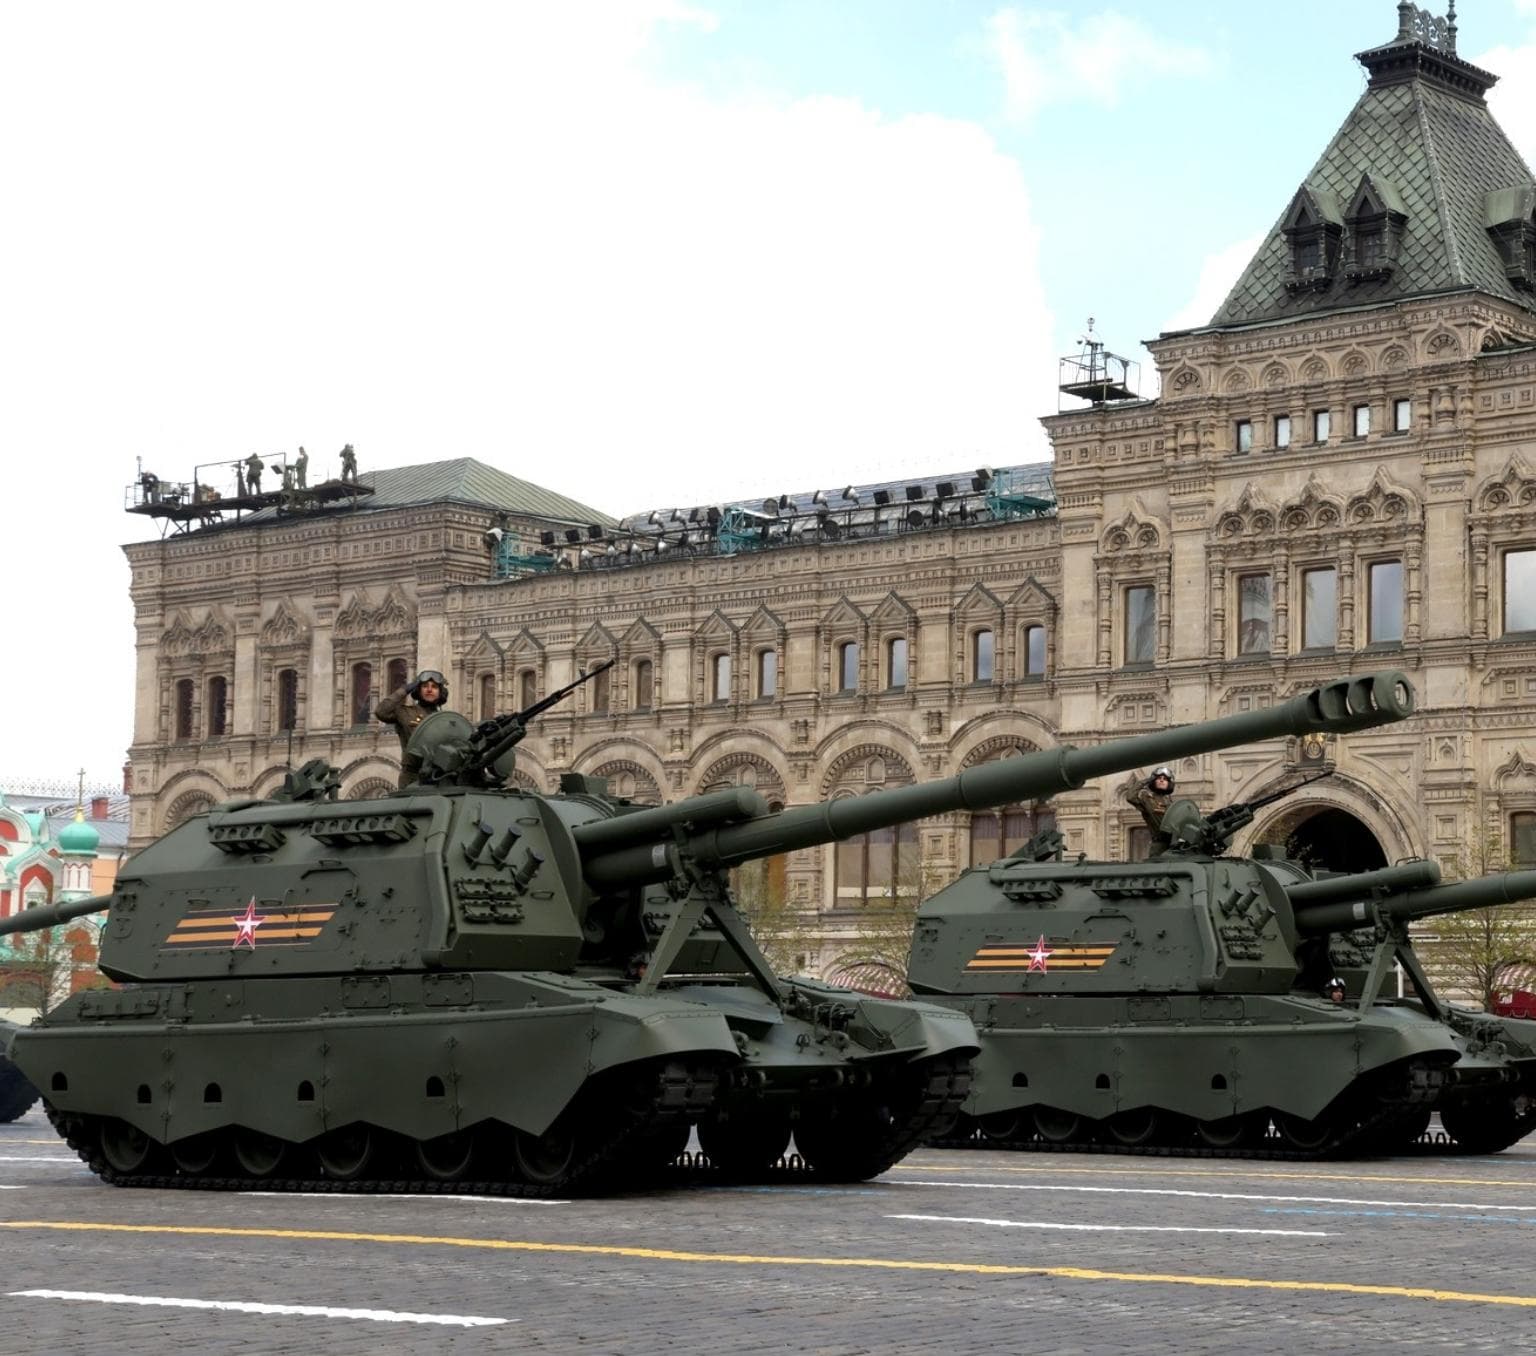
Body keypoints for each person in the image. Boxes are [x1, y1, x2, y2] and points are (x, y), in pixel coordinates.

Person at [376, 669, 449, 787]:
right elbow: (381, 711)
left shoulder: (445, 719)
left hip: (439, 776)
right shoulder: (405, 712)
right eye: (425, 686)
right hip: (412, 776)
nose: (429, 690)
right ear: (418, 690)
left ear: (441, 692)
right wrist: (405, 689)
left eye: (434, 687)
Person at [1125, 765, 1176, 854]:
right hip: (1159, 846)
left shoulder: (1171, 802)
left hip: (1174, 844)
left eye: (1165, 779)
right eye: (1159, 778)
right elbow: (1130, 796)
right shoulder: (1147, 798)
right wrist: (1147, 780)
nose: (1162, 780)